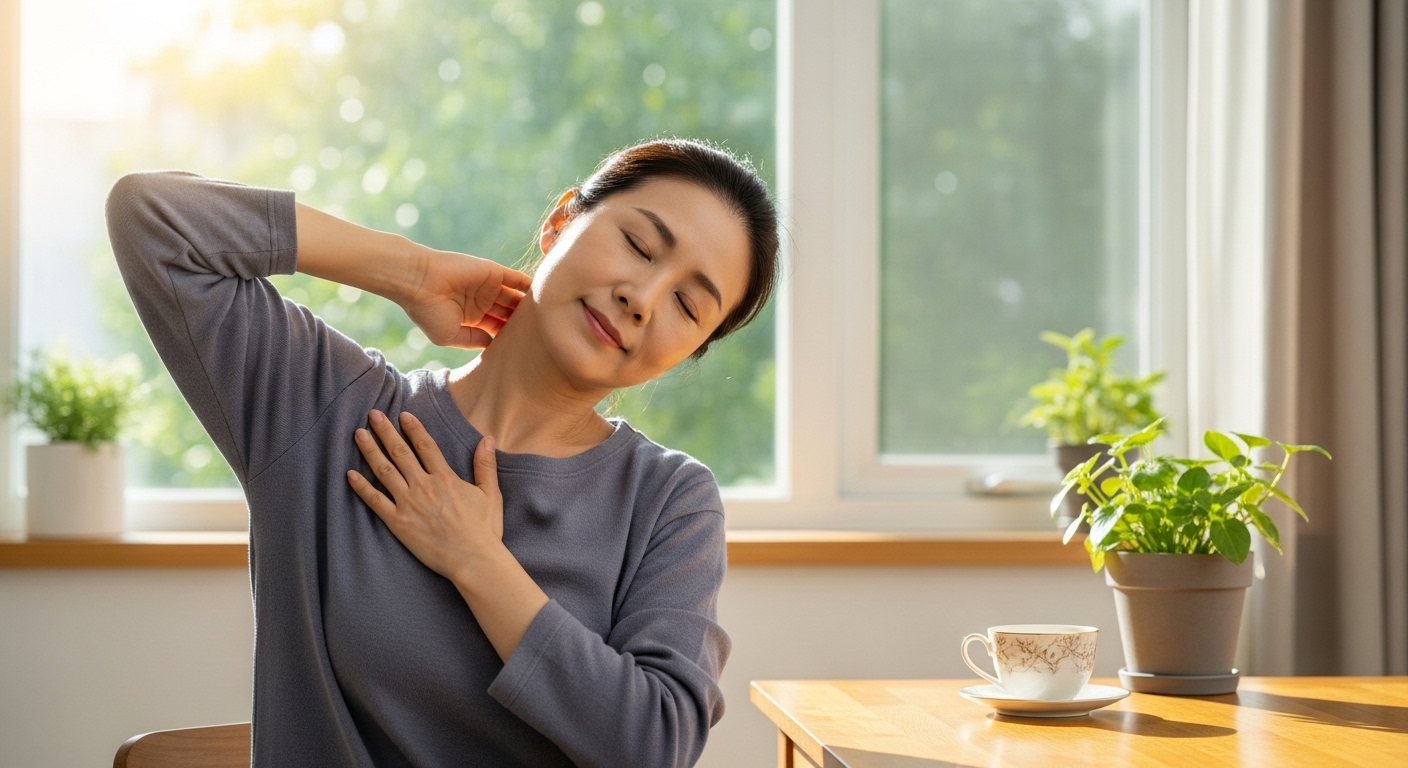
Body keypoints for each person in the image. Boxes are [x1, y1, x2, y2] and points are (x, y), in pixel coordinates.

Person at [105, 138, 779, 768]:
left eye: (688, 305)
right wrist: (410, 271)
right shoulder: (329, 414)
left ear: (690, 351)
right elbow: (155, 218)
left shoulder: (669, 501)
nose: (642, 299)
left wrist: (478, 561)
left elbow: (654, 744)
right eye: (637, 244)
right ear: (560, 223)